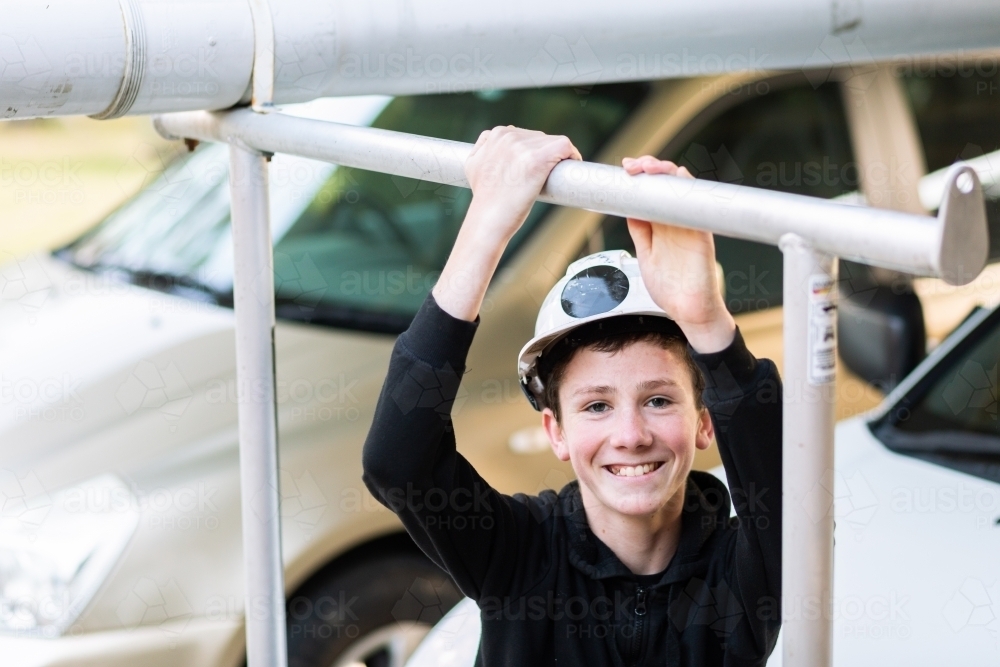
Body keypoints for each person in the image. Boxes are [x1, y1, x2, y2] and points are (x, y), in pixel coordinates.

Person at [362, 126, 782, 665]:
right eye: (596, 406)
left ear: (706, 422)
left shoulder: (743, 573)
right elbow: (398, 460)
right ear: (555, 432)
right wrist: (486, 225)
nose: (630, 436)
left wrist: (706, 319)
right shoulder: (518, 553)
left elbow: (792, 497)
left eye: (658, 400)